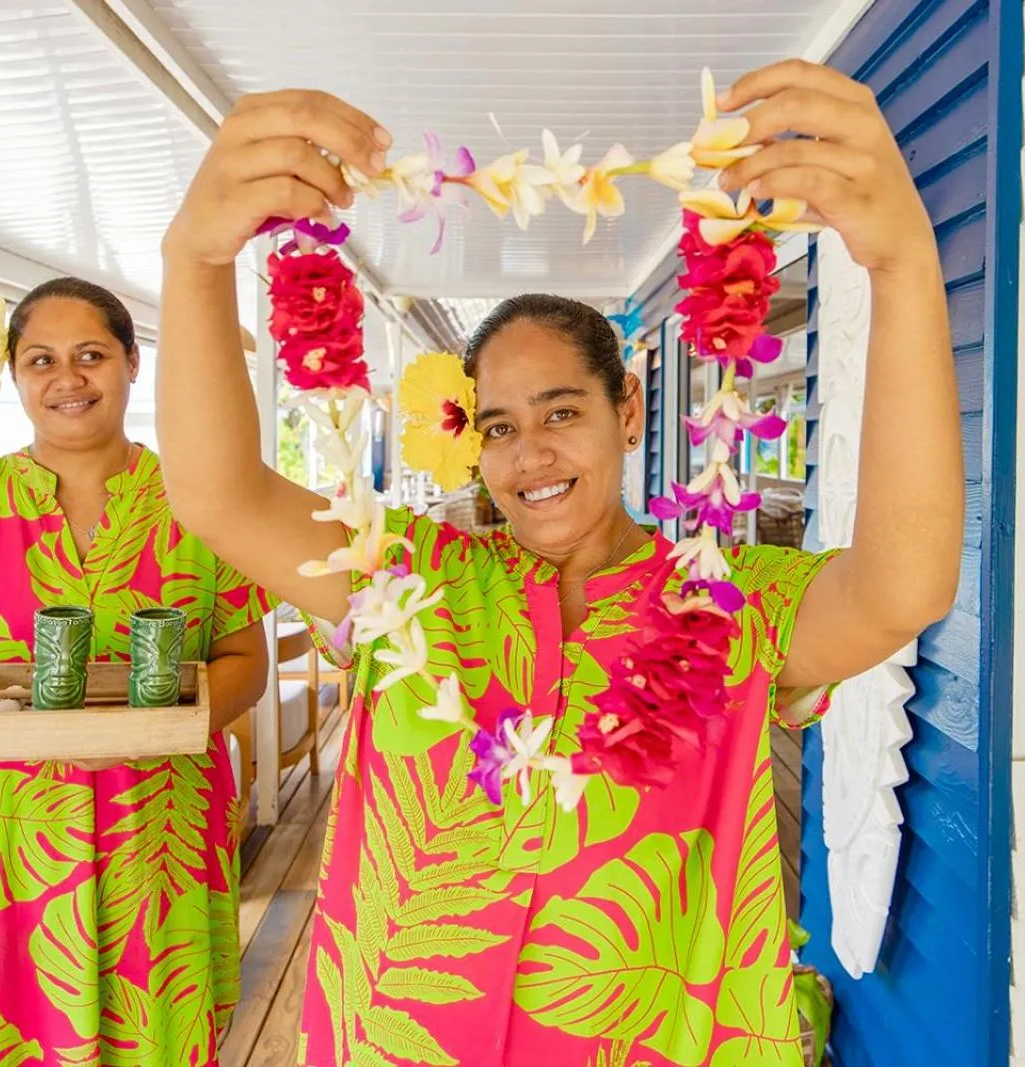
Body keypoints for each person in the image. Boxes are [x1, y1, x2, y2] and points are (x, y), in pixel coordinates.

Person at [156, 58, 963, 1067]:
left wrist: (901, 267)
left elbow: (903, 582)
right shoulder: (406, 578)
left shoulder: (724, 601)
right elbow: (216, 492)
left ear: (628, 412)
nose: (528, 452)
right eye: (498, 426)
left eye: (561, 412)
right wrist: (193, 260)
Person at [0, 277, 272, 1065]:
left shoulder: (200, 503)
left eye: (91, 355)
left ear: (130, 363)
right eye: (41, 359)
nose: (68, 378)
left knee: (156, 1036)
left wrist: (157, 729)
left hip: (157, 830)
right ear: (15, 374)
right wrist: (9, 741)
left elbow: (245, 659)